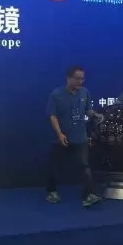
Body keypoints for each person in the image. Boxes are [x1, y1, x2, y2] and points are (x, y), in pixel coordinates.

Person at [45, 65, 104, 207]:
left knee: (84, 167)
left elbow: (88, 110)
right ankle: (51, 192)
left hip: (80, 137)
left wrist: (95, 115)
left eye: (82, 79)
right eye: (77, 78)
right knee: (54, 167)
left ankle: (87, 195)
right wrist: (59, 134)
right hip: (60, 138)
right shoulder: (56, 94)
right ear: (68, 78)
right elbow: (52, 116)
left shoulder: (85, 92)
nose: (80, 81)